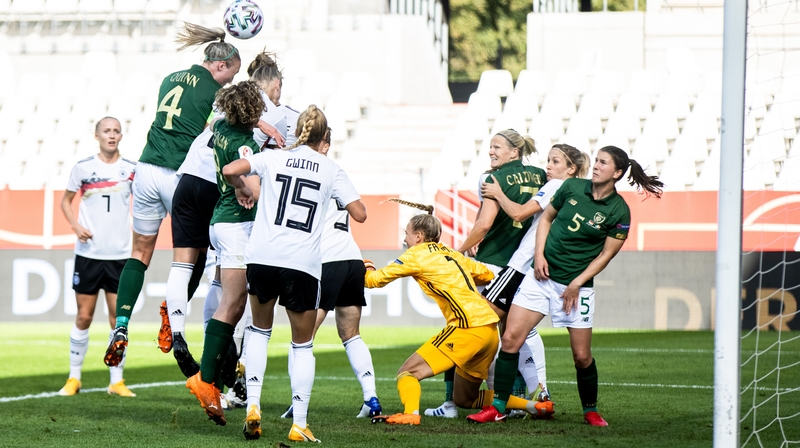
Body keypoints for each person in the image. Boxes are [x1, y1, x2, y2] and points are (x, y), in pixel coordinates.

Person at [191, 105, 366, 443]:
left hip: (263, 257)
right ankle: (299, 422)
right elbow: (359, 214)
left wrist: (242, 187)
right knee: (302, 344)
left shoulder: (274, 158)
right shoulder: (332, 169)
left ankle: (253, 405)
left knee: (259, 330)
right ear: (324, 137)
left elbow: (230, 168)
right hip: (302, 262)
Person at [466, 146, 663, 426]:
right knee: (510, 339)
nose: (596, 166)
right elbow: (545, 218)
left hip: (576, 287)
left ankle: (590, 411)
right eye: (596, 161)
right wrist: (539, 256)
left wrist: (577, 283)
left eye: (603, 163)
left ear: (617, 173)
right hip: (540, 278)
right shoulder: (571, 187)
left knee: (582, 356)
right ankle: (498, 406)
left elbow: (606, 254)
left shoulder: (619, 211)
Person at [104, 23, 241, 368]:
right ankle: (172, 318)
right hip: (180, 176)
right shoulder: (216, 92)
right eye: (230, 75)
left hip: (146, 168)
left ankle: (120, 326)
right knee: (190, 258)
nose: (229, 82)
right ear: (220, 66)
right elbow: (216, 130)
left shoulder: (170, 78)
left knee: (140, 251)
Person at [159, 50, 288, 384]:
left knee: (182, 265)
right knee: (229, 286)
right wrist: (249, 187)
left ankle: (177, 331)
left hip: (185, 179)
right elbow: (259, 168)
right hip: (223, 194)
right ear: (273, 85)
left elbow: (211, 124)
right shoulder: (274, 115)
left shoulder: (225, 106)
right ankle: (226, 363)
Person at [365, 201, 545, 426]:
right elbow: (486, 273)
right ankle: (535, 406)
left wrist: (366, 267)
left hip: (466, 328)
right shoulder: (453, 254)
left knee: (407, 372)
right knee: (465, 398)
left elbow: (373, 281)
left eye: (407, 234)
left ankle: (411, 414)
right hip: (489, 330)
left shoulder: (415, 255)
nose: (405, 239)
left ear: (419, 236)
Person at [427, 129, 545, 418]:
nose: (491, 152)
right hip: (523, 266)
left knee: (475, 330)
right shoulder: (541, 175)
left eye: (497, 147)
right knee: (520, 332)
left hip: (492, 265)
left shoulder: (493, 179)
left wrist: (457, 251)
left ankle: (457, 403)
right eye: (489, 146)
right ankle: (534, 393)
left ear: (514, 152)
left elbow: (483, 225)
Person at [268, 128, 382, 421]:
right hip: (350, 258)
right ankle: (371, 398)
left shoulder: (299, 170)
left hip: (324, 261)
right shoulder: (337, 173)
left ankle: (298, 402)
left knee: (302, 338)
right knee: (351, 334)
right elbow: (360, 212)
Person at [479, 144, 591, 414]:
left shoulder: (556, 187)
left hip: (520, 266)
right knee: (515, 331)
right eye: (548, 160)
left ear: (571, 169)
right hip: (533, 267)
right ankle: (537, 392)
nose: (548, 167)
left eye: (554, 162)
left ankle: (491, 397)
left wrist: (496, 193)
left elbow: (518, 213)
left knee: (483, 320)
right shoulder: (575, 192)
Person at [184, 79, 264, 426]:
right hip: (236, 225)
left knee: (233, 303)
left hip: (223, 221)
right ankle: (206, 380)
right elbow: (258, 191)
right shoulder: (246, 146)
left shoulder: (219, 129)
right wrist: (250, 186)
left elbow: (218, 131)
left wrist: (237, 184)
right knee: (233, 304)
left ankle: (213, 381)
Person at [58, 117, 137, 398]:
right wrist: (76, 227)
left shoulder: (131, 170)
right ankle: (74, 378)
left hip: (120, 255)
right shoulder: (83, 168)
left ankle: (116, 381)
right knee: (84, 316)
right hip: (89, 255)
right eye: (107, 131)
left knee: (119, 321)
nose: (112, 135)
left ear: (121, 136)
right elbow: (65, 201)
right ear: (97, 135)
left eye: (116, 131)